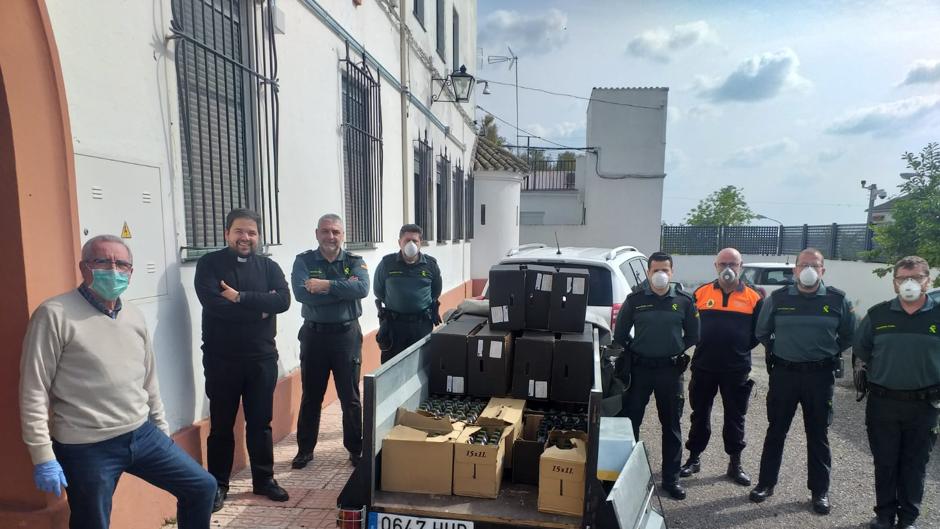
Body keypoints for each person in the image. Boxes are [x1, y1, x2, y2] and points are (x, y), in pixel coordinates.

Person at [20, 235, 217, 529]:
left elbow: (148, 377)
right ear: (84, 267)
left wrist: (160, 427)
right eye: (102, 261)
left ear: (131, 271)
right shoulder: (54, 315)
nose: (113, 269)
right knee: (92, 523)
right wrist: (43, 454)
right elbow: (33, 390)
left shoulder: (133, 315)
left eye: (122, 263)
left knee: (201, 486)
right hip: (86, 445)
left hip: (142, 435)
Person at [195, 209, 291, 511]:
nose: (245, 237)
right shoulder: (209, 264)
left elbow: (283, 301)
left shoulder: (269, 267)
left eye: (251, 232)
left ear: (258, 236)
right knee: (221, 425)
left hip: (261, 358)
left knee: (260, 422)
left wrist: (238, 297)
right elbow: (212, 304)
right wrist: (260, 308)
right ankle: (218, 485)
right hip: (221, 358)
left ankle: (263, 480)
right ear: (227, 234)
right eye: (239, 231)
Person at [750, 248, 855, 514]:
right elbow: (763, 331)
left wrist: (825, 353)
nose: (808, 269)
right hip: (784, 375)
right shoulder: (778, 298)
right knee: (776, 431)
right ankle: (766, 483)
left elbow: (847, 335)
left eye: (814, 265)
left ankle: (819, 492)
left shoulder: (837, 300)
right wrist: (784, 349)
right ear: (795, 270)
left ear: (823, 271)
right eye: (803, 265)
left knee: (818, 435)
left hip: (820, 377)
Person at [854, 256, 940, 529]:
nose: (909, 283)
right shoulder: (878, 315)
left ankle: (907, 519)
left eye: (916, 277)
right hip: (883, 403)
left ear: (929, 280)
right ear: (894, 283)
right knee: (885, 462)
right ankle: (884, 515)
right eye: (903, 278)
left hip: (924, 405)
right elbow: (862, 348)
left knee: (915, 465)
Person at [614, 252, 700, 500]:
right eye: (655, 270)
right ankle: (627, 477)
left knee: (671, 425)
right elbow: (620, 335)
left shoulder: (684, 301)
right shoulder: (635, 300)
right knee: (631, 422)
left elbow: (693, 335)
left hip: (670, 372)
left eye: (665, 270)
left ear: (672, 273)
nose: (660, 274)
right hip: (640, 370)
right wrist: (637, 350)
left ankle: (671, 479)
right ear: (648, 272)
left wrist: (673, 349)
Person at [290, 214, 369, 470]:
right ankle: (305, 450)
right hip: (314, 337)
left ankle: (355, 449)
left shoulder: (355, 261)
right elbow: (303, 294)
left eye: (335, 232)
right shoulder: (303, 261)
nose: (330, 236)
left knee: (350, 397)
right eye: (325, 231)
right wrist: (341, 290)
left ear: (342, 235)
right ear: (317, 234)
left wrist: (324, 285)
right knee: (311, 396)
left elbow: (362, 289)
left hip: (346, 336)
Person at [680, 248, 763, 487]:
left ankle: (735, 464)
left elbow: (758, 332)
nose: (728, 268)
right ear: (715, 265)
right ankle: (693, 458)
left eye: (733, 264)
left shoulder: (753, 297)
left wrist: (740, 348)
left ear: (741, 266)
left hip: (736, 369)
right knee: (699, 414)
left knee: (736, 417)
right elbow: (690, 326)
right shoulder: (701, 293)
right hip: (704, 365)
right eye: (723, 263)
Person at [374, 224, 442, 364]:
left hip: (421, 325)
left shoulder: (430, 265)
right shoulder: (387, 264)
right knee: (392, 367)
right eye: (407, 240)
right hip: (394, 327)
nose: (411, 244)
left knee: (422, 365)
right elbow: (378, 291)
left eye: (415, 241)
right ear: (400, 242)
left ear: (420, 243)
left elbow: (436, 291)